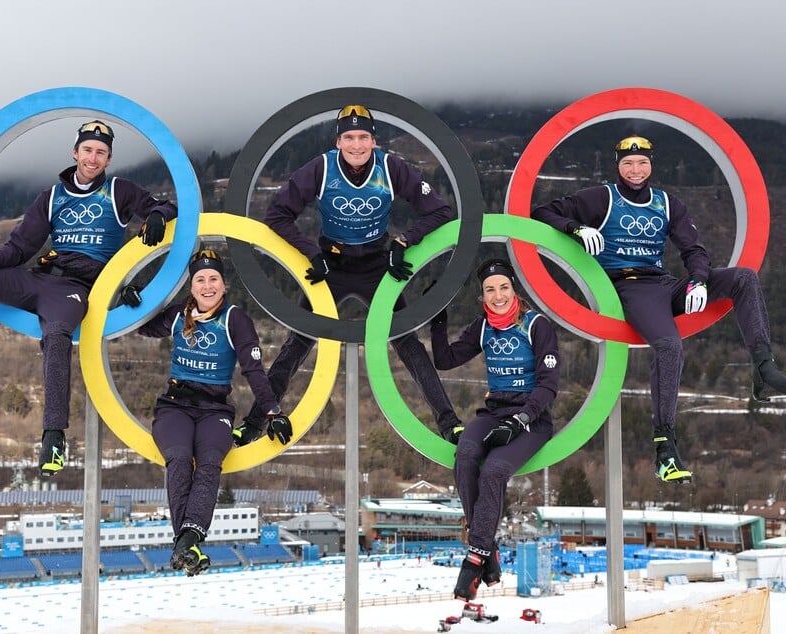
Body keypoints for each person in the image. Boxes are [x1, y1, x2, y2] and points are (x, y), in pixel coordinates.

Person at [0, 120, 177, 478]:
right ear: (75, 153)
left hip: (78, 287)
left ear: (108, 159)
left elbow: (163, 206)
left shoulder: (119, 191)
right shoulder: (51, 197)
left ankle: (53, 435)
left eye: (101, 153)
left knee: (56, 334)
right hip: (40, 277)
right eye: (87, 150)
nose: (93, 157)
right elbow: (20, 246)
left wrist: (159, 216)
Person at [531, 135, 786, 483]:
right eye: (628, 163)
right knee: (669, 346)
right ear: (618, 166)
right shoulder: (602, 197)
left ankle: (764, 369)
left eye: (642, 163)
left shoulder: (667, 203)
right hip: (629, 287)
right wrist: (576, 228)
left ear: (652, 164)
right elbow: (542, 212)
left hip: (665, 283)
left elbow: (693, 249)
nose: (636, 170)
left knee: (743, 278)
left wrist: (697, 280)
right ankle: (665, 447)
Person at [234, 104, 463, 445]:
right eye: (349, 137)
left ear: (374, 140)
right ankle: (255, 423)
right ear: (338, 141)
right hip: (333, 265)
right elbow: (277, 215)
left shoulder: (391, 167)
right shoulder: (321, 168)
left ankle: (449, 424)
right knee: (297, 342)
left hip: (376, 264)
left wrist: (404, 241)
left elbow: (441, 210)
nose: (357, 145)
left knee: (407, 341)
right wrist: (311, 251)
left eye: (364, 137)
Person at [130, 249, 293, 577]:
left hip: (214, 410)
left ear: (224, 284)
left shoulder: (235, 320)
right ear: (191, 286)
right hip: (175, 405)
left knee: (209, 462)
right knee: (177, 458)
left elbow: (254, 370)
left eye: (213, 279)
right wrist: (134, 297)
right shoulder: (178, 316)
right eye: (200, 280)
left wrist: (274, 412)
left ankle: (187, 539)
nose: (207, 286)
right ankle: (188, 541)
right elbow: (139, 326)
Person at [430, 258, 559, 601]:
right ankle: (488, 547)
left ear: (514, 288)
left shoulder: (536, 325)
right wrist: (437, 318)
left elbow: (548, 386)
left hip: (532, 418)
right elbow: (444, 360)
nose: (498, 295)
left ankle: (475, 561)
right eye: (490, 290)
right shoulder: (483, 326)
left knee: (493, 472)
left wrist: (522, 419)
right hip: (494, 412)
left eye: (503, 287)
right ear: (482, 295)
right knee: (466, 455)